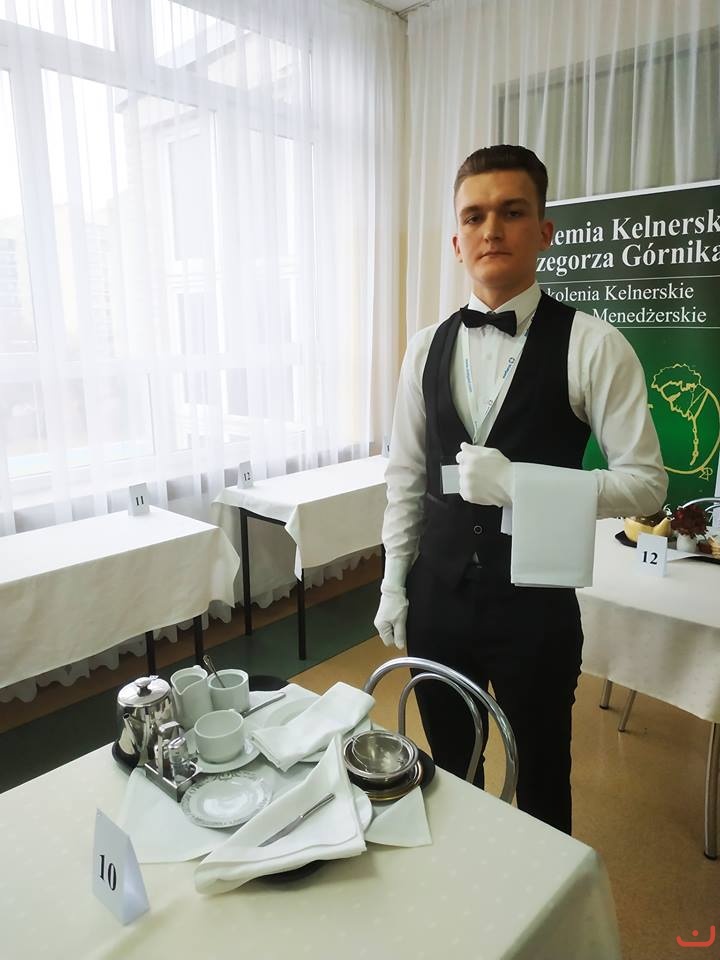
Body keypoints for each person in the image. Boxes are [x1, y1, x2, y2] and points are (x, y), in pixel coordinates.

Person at [374, 144, 667, 834]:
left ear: (544, 231)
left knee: (540, 779)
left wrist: (519, 485)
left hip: (536, 607)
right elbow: (406, 476)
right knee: (452, 772)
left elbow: (647, 484)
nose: (491, 230)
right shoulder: (423, 347)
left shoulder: (593, 345)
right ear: (456, 241)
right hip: (437, 597)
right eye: (473, 216)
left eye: (511, 212)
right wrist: (393, 580)